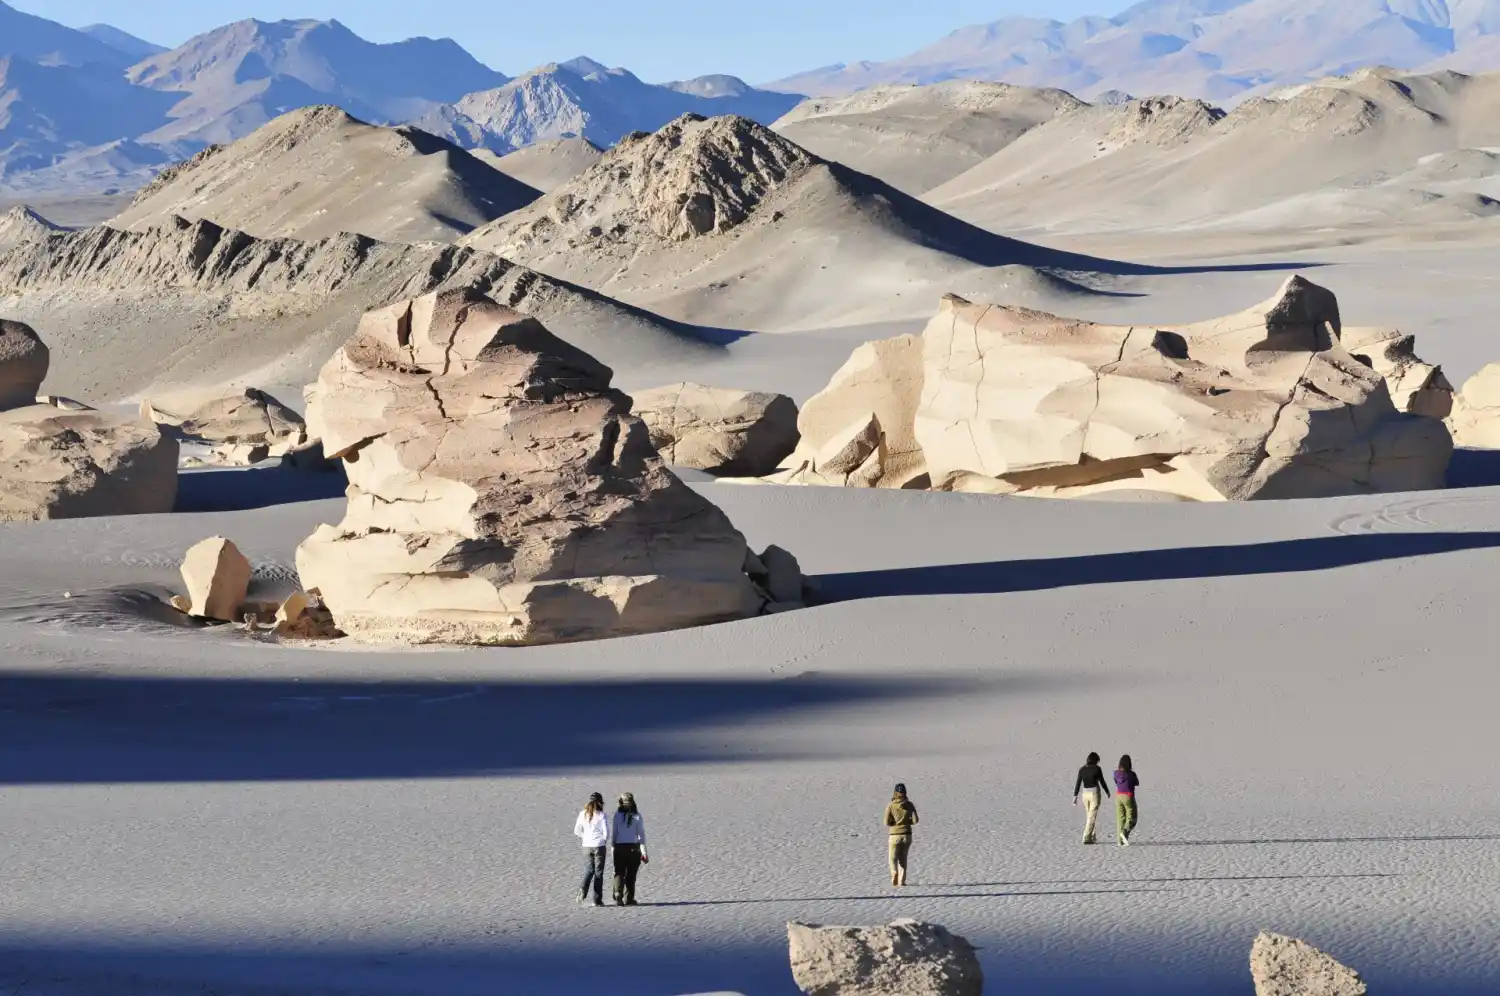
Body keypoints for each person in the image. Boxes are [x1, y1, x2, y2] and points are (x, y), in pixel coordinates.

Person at [611, 792, 649, 906]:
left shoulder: (617, 815)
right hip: (633, 848)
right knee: (631, 875)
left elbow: (614, 833)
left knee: (619, 872)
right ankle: (629, 899)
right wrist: (644, 853)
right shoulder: (637, 816)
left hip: (619, 847)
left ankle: (618, 892)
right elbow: (641, 835)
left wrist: (613, 848)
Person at [574, 792, 609, 905]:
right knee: (599, 873)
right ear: (600, 803)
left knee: (590, 870)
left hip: (586, 846)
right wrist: (603, 840)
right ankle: (597, 900)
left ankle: (582, 889)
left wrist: (585, 837)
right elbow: (606, 832)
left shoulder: (582, 814)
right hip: (599, 845)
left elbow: (577, 831)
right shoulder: (601, 815)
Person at [883, 783, 918, 886]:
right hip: (907, 835)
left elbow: (886, 822)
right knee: (903, 859)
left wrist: (893, 823)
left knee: (892, 858)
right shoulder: (910, 805)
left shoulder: (891, 805)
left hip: (894, 835)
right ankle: (902, 881)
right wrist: (907, 823)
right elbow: (915, 820)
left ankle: (894, 872)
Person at [1072, 751, 1111, 844]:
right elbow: (1102, 781)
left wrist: (1075, 796)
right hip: (1094, 794)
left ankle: (1092, 836)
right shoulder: (1097, 769)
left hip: (1085, 794)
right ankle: (1086, 838)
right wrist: (1107, 791)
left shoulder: (1082, 769)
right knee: (1092, 817)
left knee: (1089, 816)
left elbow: (1078, 783)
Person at [1114, 755, 1141, 846]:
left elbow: (1116, 781)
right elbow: (1137, 783)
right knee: (1132, 817)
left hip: (1118, 796)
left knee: (1120, 818)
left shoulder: (1116, 773)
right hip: (1128, 796)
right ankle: (1124, 832)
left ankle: (1120, 841)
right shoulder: (1131, 774)